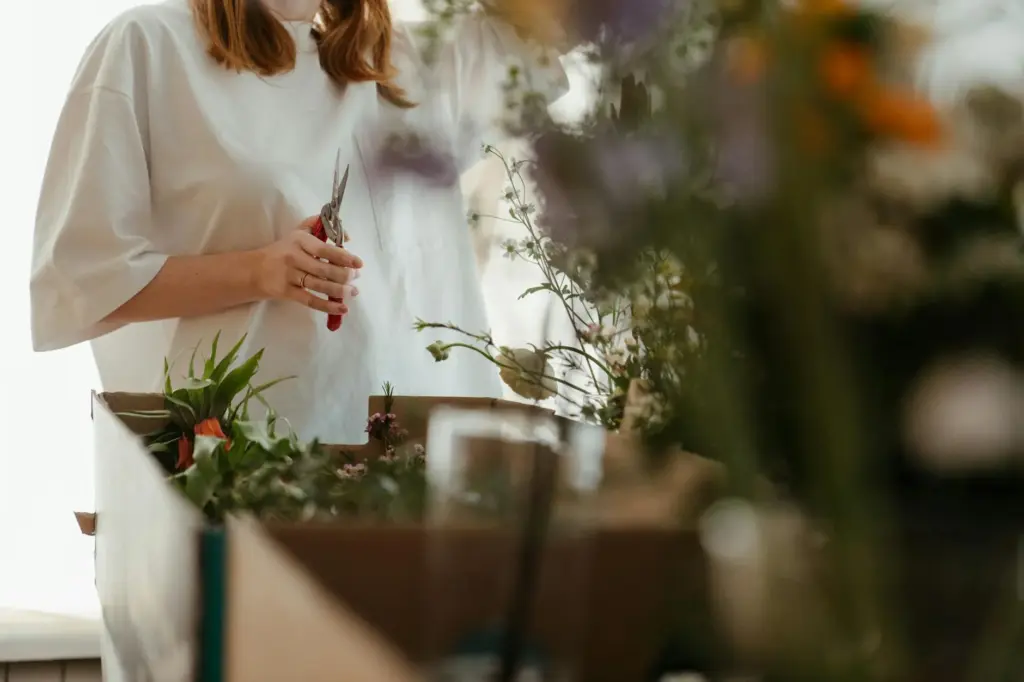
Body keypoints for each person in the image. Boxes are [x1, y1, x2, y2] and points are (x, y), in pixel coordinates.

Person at [30, 0, 568, 444]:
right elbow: (82, 282)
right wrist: (259, 272)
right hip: (248, 457)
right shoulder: (147, 46)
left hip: (418, 465)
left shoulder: (407, 66)